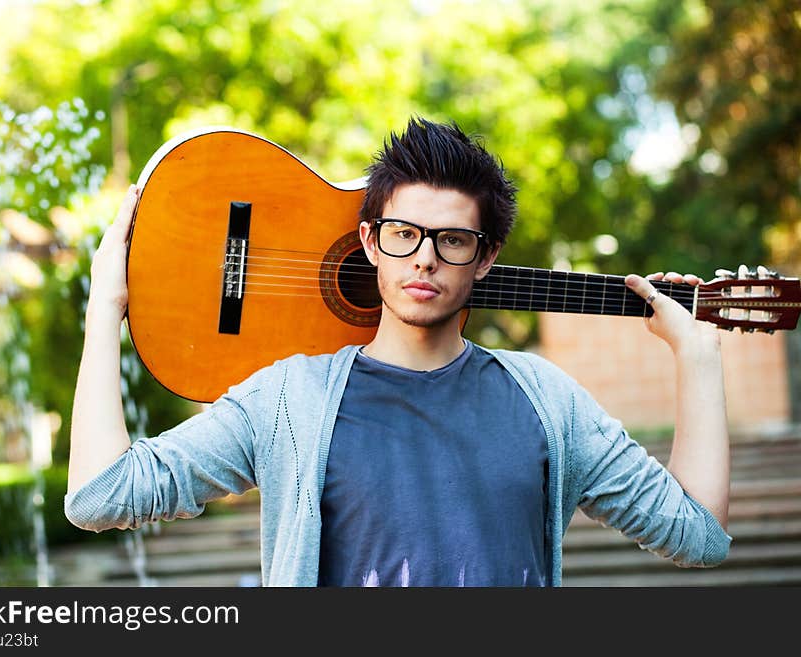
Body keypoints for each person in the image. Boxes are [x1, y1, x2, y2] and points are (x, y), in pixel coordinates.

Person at [65, 117, 733, 586]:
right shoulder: (290, 398)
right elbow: (101, 495)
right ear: (368, 239)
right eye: (404, 233)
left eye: (452, 241)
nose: (424, 259)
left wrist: (697, 359)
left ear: (486, 256)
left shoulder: (547, 399)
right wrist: (105, 309)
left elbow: (697, 535)